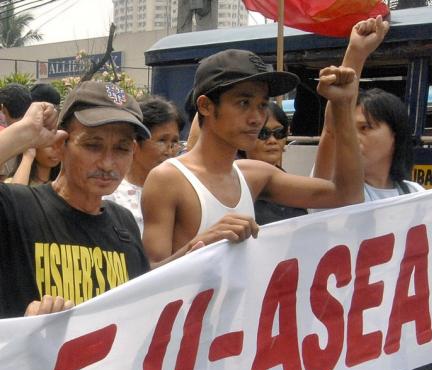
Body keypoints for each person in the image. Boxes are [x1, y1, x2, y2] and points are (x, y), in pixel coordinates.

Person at [141, 49, 363, 265]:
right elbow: (145, 277)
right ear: (206, 106)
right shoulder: (168, 179)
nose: (257, 118)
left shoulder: (253, 175)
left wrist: (343, 105)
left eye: (262, 105)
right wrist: (202, 244)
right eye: (243, 103)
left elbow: (348, 196)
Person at [0, 81, 152, 319]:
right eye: (93, 145)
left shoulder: (124, 224)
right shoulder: (16, 208)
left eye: (121, 149)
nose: (107, 163)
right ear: (60, 145)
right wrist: (23, 133)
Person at [311, 16, 423, 201]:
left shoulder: (414, 193)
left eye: (365, 128)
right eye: (350, 128)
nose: (352, 137)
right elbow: (332, 131)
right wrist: (356, 52)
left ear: (395, 136)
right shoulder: (332, 189)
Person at [104, 95, 184, 233]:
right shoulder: (111, 194)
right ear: (134, 144)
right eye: (162, 140)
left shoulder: (181, 193)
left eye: (174, 142)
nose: (170, 151)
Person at [242, 101, 307, 224]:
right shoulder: (234, 187)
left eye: (279, 133)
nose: (272, 140)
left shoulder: (294, 185)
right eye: (263, 133)